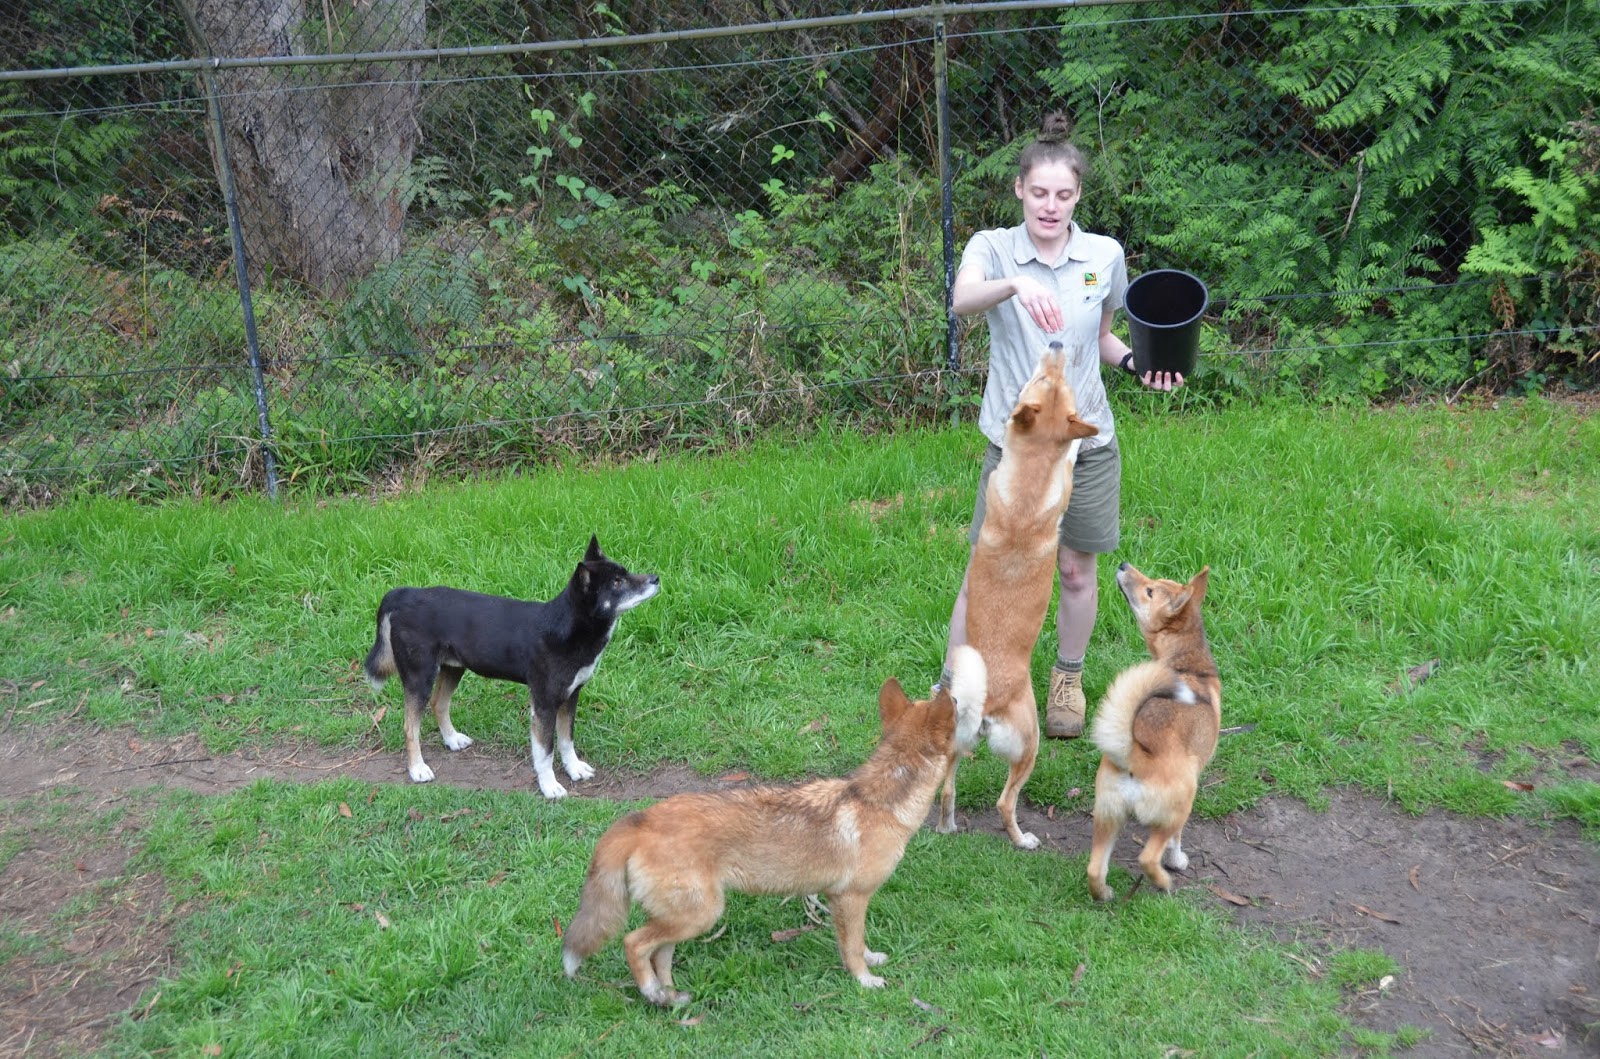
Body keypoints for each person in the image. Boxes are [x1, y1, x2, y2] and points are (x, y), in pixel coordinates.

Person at [938, 111, 1183, 739]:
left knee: (1076, 570)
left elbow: (1102, 337)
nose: (1051, 206)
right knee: (985, 571)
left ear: (1078, 195)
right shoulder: (993, 248)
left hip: (1087, 440)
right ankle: (951, 687)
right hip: (1018, 448)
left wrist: (1137, 364)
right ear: (1019, 189)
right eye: (1040, 193)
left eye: (1064, 194)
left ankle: (1067, 678)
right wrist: (1015, 285)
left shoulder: (1103, 255)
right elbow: (962, 299)